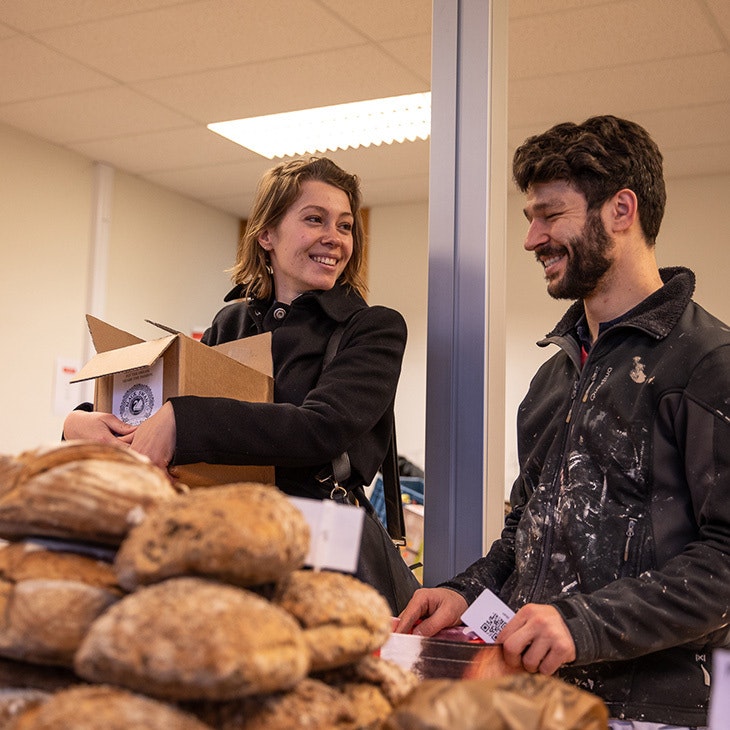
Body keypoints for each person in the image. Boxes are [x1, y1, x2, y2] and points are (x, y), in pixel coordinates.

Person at [396, 115, 730, 729]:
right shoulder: (553, 380)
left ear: (620, 210)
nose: (532, 238)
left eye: (550, 215)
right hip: (537, 703)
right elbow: (527, 528)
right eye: (530, 218)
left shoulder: (709, 363)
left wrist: (583, 624)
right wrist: (467, 592)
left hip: (653, 710)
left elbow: (726, 559)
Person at [64, 156, 418, 610]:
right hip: (230, 538)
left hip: (322, 548)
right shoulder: (231, 322)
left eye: (345, 226)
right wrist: (81, 425)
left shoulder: (372, 328)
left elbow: (320, 429)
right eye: (315, 219)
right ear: (266, 235)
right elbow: (162, 405)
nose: (335, 237)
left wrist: (185, 421)